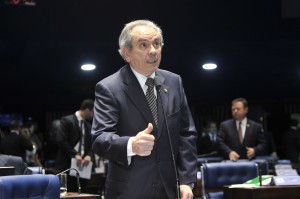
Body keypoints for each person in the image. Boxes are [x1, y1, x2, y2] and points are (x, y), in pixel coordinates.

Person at [91, 19, 197, 199]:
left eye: (157, 43)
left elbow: (186, 134)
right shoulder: (109, 87)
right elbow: (100, 138)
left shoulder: (174, 82)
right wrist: (131, 145)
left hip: (169, 190)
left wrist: (187, 180)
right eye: (143, 45)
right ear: (126, 53)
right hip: (129, 191)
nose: (153, 50)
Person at [55, 99, 95, 193]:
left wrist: (89, 155)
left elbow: (92, 144)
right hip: (67, 164)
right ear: (87, 110)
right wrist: (74, 154)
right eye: (93, 111)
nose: (94, 114)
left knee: (83, 192)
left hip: (83, 166)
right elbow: (60, 140)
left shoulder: (88, 126)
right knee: (69, 192)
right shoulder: (67, 120)